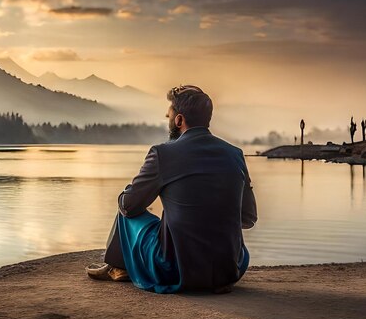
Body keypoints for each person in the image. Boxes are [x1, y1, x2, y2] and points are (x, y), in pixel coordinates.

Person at [86, 85, 257, 293]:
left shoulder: (163, 153)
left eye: (169, 114)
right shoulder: (235, 154)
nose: (167, 117)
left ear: (179, 120)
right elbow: (248, 218)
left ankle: (119, 267)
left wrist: (129, 192)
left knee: (126, 206)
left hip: (177, 271)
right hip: (229, 269)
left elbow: (129, 206)